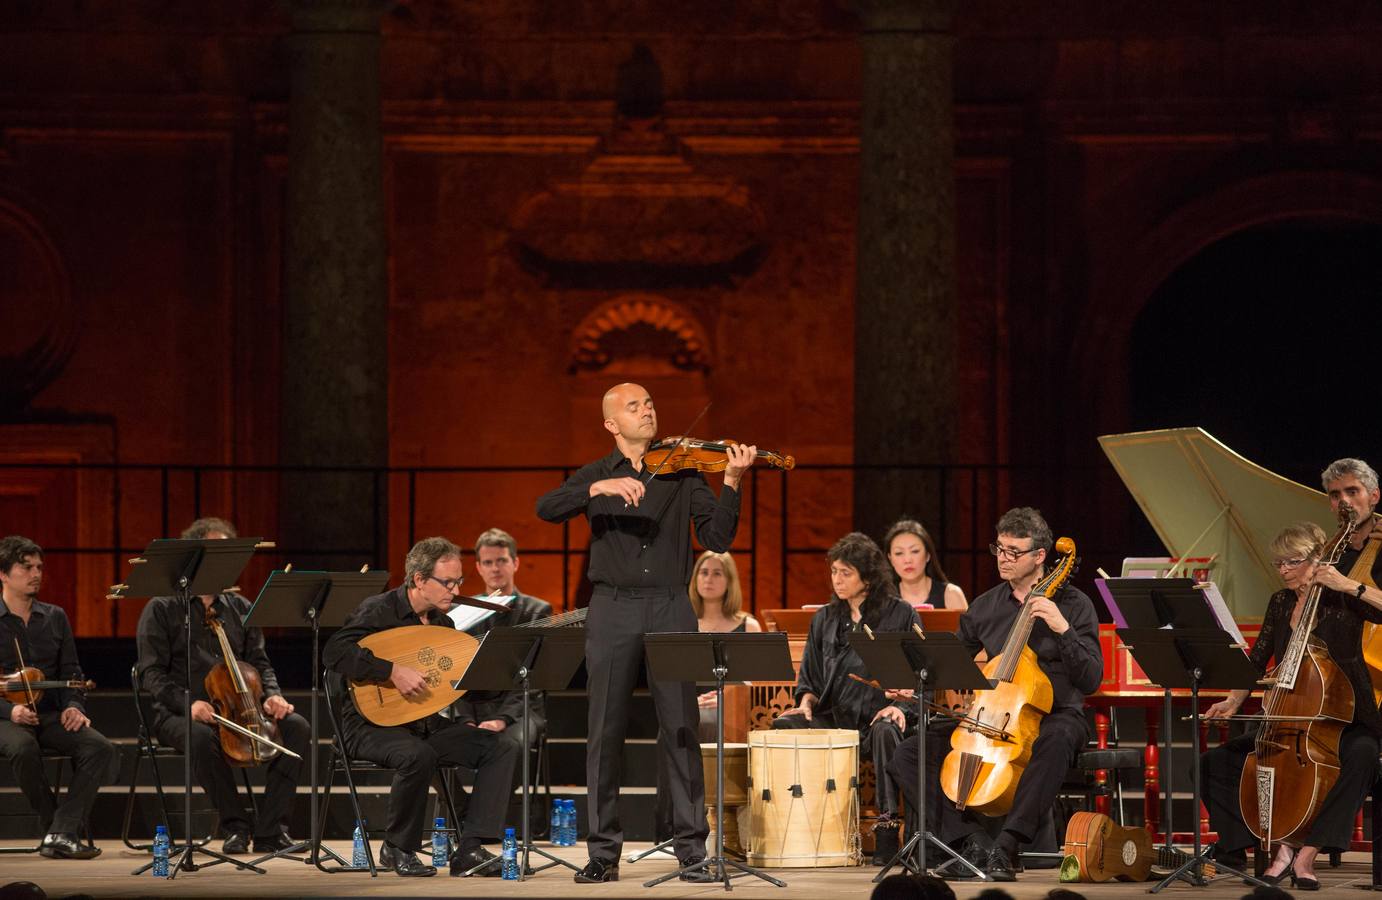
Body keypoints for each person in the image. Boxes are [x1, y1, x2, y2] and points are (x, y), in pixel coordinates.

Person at [536, 382, 755, 884]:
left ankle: (691, 850)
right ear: (612, 423)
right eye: (634, 406)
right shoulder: (596, 473)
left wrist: (733, 482)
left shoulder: (682, 471)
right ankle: (603, 853)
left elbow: (717, 538)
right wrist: (597, 489)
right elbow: (546, 508)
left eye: (650, 403)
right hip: (611, 606)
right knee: (604, 729)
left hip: (671, 605)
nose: (647, 411)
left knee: (679, 726)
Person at [886, 507, 1103, 881]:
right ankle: (972, 841)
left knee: (1055, 740)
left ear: (1040, 557)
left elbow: (1092, 678)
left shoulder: (1073, 605)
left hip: (1057, 714)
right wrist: (917, 679)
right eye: (999, 549)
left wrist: (1062, 627)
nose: (1003, 559)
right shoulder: (985, 607)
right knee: (908, 752)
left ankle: (1008, 845)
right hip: (990, 717)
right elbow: (952, 661)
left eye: (1014, 552)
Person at [1201, 457, 1382, 890]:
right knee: (1213, 765)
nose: (1343, 501)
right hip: (1295, 715)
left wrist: (1346, 586)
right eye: (1335, 495)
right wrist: (1234, 698)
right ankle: (1253, 842)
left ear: (1374, 496)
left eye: (1352, 492)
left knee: (1360, 756)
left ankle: (1303, 854)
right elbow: (1257, 658)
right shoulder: (1284, 601)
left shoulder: (1346, 579)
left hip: (1351, 708)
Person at [322, 536, 519, 878]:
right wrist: (391, 671)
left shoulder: (444, 625)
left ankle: (469, 848)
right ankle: (397, 848)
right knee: (417, 755)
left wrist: (503, 673)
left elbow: (459, 691)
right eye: (447, 582)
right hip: (367, 727)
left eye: (459, 582)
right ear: (418, 579)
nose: (455, 590)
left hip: (423, 724)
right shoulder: (379, 609)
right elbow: (335, 652)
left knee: (501, 747)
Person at [134, 517, 309, 856]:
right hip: (177, 712)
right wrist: (189, 704)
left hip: (240, 707)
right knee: (201, 737)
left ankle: (272, 830)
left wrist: (272, 695)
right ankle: (236, 827)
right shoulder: (162, 608)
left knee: (297, 728)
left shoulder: (241, 608)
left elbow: (259, 662)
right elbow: (151, 674)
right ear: (195, 557)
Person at [773, 531, 922, 865]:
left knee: (886, 729)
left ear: (867, 578)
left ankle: (887, 830)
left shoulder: (901, 614)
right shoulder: (824, 618)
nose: (836, 579)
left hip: (877, 718)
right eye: (834, 572)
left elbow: (918, 678)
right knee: (784, 725)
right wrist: (807, 699)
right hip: (834, 720)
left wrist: (898, 707)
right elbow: (809, 674)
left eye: (845, 573)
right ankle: (800, 825)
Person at [0, 536, 118, 859]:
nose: (36, 573)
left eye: (39, 567)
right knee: (23, 747)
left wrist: (73, 705)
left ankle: (61, 832)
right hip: (4, 717)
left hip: (49, 714)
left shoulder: (55, 617)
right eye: (26, 567)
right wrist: (9, 712)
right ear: (3, 574)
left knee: (99, 747)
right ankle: (56, 826)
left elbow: (71, 672)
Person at [452, 528, 554, 752]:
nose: (495, 568)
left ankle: (494, 789)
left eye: (501, 560)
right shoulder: (461, 612)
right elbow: (454, 673)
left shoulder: (537, 611)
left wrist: (502, 719)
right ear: (478, 567)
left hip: (521, 710)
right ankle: (468, 790)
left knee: (509, 745)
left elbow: (534, 677)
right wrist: (465, 720)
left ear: (515, 563)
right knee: (427, 744)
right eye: (488, 563)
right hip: (471, 710)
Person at [884, 519, 967, 610]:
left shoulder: (951, 594)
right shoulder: (883, 599)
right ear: (890, 558)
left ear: (927, 555)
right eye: (899, 553)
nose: (907, 560)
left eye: (915, 551)